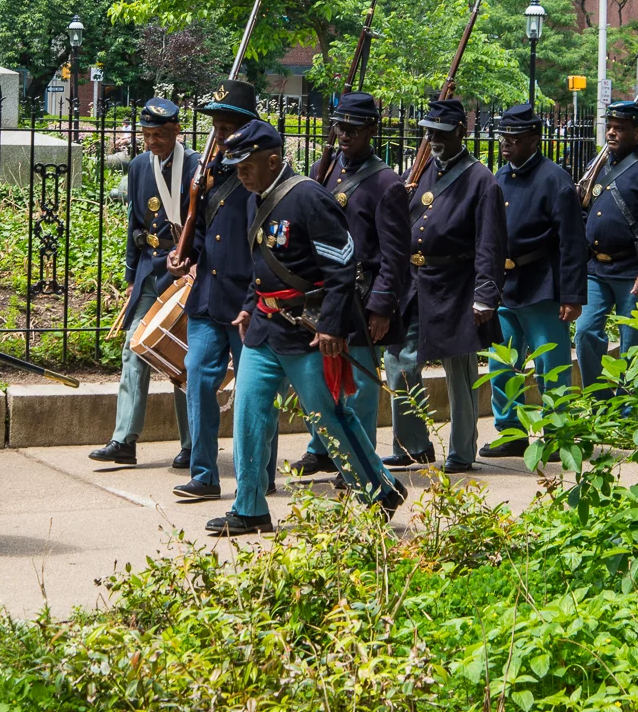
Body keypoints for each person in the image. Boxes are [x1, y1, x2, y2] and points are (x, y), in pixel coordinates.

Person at [206, 121, 404, 536]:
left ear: (273, 160)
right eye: (236, 165)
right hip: (265, 325)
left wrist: (331, 325)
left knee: (328, 418)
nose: (240, 173)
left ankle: (379, 490)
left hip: (308, 330)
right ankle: (250, 507)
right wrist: (248, 307)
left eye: (247, 165)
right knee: (249, 415)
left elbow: (342, 267)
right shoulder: (253, 197)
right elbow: (260, 266)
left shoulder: (309, 197)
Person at [290, 92, 410, 477]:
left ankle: (361, 461)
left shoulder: (386, 182)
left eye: (354, 128)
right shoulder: (321, 169)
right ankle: (321, 446)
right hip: (326, 290)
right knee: (320, 376)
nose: (345, 134)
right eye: (340, 126)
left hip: (363, 293)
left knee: (359, 382)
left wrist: (382, 307)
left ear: (372, 130)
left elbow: (394, 253)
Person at [383, 98, 505, 474]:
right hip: (416, 282)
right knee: (398, 361)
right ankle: (412, 445)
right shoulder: (419, 173)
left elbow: (490, 243)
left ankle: (461, 451)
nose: (432, 138)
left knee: (460, 370)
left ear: (459, 132)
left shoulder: (481, 179)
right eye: (429, 132)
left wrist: (485, 295)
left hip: (457, 284)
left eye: (440, 132)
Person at [89, 98, 198, 469]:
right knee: (134, 347)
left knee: (181, 360)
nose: (153, 142)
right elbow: (136, 226)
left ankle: (192, 444)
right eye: (148, 135)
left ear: (176, 132)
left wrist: (194, 265)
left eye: (160, 135)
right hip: (150, 273)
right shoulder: (138, 166)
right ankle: (124, 440)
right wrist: (131, 274)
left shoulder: (196, 167)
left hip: (184, 276)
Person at [171, 79, 264, 503]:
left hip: (248, 301)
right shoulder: (206, 174)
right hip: (208, 297)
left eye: (228, 126)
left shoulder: (261, 176)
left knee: (253, 394)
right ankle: (204, 473)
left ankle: (257, 476)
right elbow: (205, 233)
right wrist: (184, 255)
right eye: (217, 127)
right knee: (198, 379)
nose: (220, 134)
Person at [480, 103, 585, 456]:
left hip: (542, 284)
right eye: (504, 137)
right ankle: (511, 433)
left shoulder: (555, 179)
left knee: (550, 367)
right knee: (501, 365)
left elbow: (572, 242)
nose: (506, 144)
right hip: (505, 285)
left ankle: (559, 435)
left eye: (514, 138)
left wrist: (572, 296)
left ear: (534, 139)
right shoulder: (500, 176)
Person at [575, 100, 638, 390]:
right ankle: (600, 401)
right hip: (596, 268)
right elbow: (583, 208)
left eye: (620, 128)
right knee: (585, 332)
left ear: (637, 132)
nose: (611, 133)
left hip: (633, 270)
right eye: (610, 127)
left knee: (634, 343)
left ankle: (633, 410)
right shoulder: (598, 165)